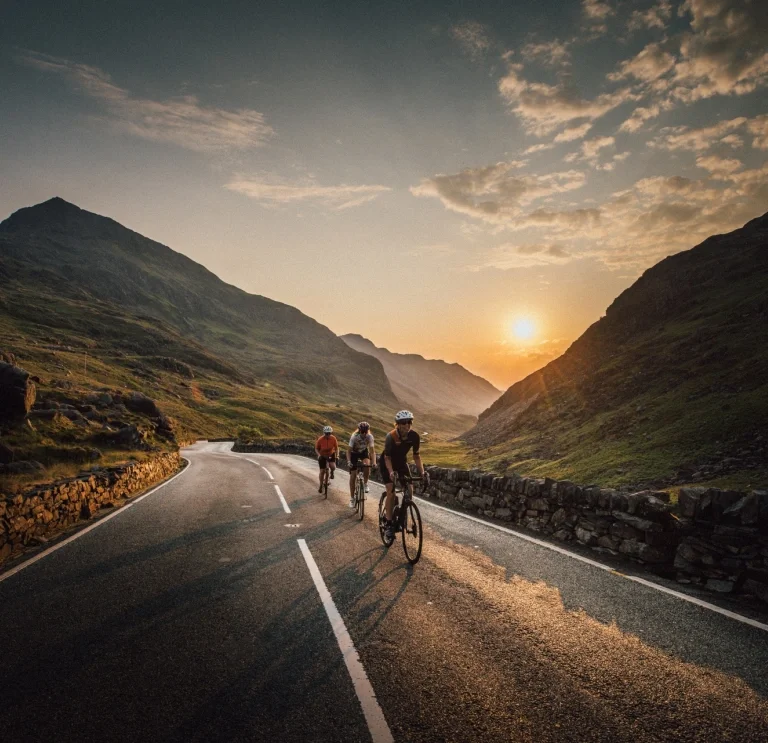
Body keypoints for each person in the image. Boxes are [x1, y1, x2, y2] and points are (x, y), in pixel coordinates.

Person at [380, 410, 427, 540]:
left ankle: (402, 514)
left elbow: (416, 456)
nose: (407, 425)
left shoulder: (414, 436)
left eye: (409, 422)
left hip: (401, 463)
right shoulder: (391, 437)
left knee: (410, 490)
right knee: (391, 491)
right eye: (404, 422)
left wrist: (422, 473)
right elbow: (387, 458)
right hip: (387, 463)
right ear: (398, 424)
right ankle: (389, 523)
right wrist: (391, 472)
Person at [347, 421, 376, 508]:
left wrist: (374, 462)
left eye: (365, 431)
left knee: (367, 465)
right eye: (362, 431)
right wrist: (349, 462)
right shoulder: (354, 437)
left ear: (368, 431)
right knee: (353, 476)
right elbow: (348, 451)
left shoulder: (370, 437)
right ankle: (352, 499)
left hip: (363, 452)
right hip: (353, 453)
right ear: (359, 431)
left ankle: (366, 484)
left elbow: (372, 452)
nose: (364, 433)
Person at [315, 425, 339, 493]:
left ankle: (332, 472)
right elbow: (316, 448)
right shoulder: (320, 439)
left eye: (329, 433)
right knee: (322, 471)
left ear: (331, 433)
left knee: (333, 467)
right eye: (326, 433)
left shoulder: (333, 438)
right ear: (324, 433)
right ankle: (320, 485)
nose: (328, 435)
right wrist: (319, 455)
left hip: (331, 454)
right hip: (322, 455)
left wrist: (337, 456)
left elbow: (337, 448)